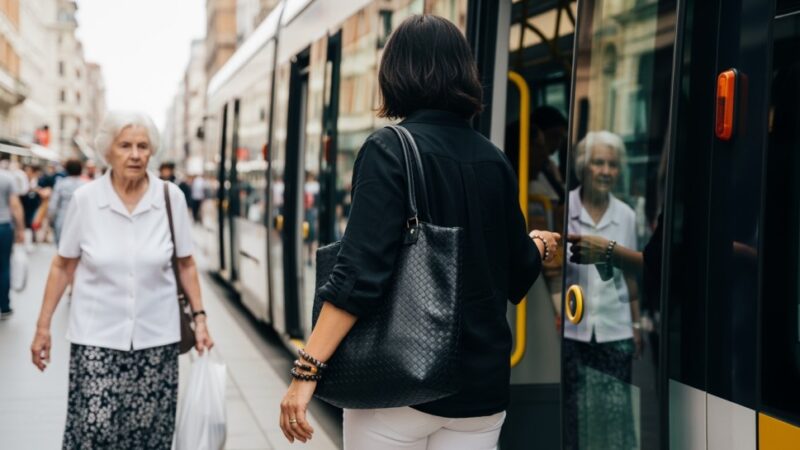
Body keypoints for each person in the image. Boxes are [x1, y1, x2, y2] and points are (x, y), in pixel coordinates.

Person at [278, 15, 560, 449]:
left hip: (400, 388)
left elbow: (359, 273)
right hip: (481, 398)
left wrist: (306, 371)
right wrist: (538, 243)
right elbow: (517, 271)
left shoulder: (388, 149)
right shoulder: (494, 159)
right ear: (465, 73)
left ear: (395, 74)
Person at [30, 111, 215, 448]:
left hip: (157, 341)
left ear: (151, 152)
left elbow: (186, 264)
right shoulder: (86, 200)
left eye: (143, 146)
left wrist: (200, 318)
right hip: (95, 341)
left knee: (150, 436)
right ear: (108, 151)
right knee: (95, 432)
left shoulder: (170, 197)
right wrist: (44, 327)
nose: (135, 154)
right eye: (125, 145)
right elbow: (62, 265)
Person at [562, 130, 640, 449]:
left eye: (612, 164)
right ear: (583, 166)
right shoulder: (565, 208)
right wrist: (557, 313)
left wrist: (636, 325)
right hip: (573, 331)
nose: (606, 171)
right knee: (576, 412)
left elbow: (632, 275)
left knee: (615, 414)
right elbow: (554, 272)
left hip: (615, 330)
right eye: (598, 163)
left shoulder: (627, 215)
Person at [0, 153, 25, 319]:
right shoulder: (7, 177)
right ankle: (4, 306)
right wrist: (21, 229)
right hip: (3, 226)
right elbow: (15, 205)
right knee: (4, 266)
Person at [47, 159, 86, 245]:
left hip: (62, 219)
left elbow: (53, 205)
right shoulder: (86, 185)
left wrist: (50, 219)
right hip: (81, 221)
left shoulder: (61, 184)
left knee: (61, 249)